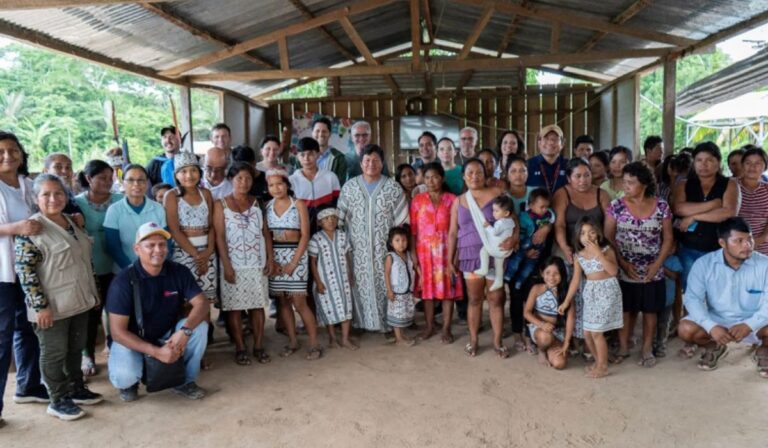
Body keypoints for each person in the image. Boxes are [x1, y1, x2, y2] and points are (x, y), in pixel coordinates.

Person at [15, 173, 103, 421]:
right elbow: (26, 272)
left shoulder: (72, 222)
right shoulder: (31, 229)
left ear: (66, 196)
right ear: (36, 198)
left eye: (58, 193)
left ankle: (76, 388)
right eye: (46, 194)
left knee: (75, 348)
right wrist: (40, 306)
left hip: (79, 300)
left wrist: (94, 292)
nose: (53, 198)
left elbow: (86, 261)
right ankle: (58, 399)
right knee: (54, 353)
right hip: (52, 307)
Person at [106, 222, 209, 401]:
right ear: (137, 249)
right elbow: (117, 333)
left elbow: (202, 303)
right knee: (125, 376)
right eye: (150, 245)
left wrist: (184, 332)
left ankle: (184, 381)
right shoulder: (123, 282)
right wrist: (156, 352)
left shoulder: (178, 271)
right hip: (133, 340)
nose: (158, 250)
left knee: (199, 329)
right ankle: (130, 383)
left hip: (167, 335)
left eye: (162, 244)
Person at [678, 217, 768, 377]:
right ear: (722, 243)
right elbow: (692, 299)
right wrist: (711, 326)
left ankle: (764, 349)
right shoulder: (704, 264)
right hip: (719, 320)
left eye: (750, 239)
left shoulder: (765, 264)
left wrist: (749, 324)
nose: (747, 245)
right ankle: (714, 345)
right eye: (739, 241)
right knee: (686, 329)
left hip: (756, 322)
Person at [604, 162, 674, 368]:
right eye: (624, 182)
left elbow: (668, 239)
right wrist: (623, 263)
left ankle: (646, 348)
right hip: (625, 266)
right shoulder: (616, 206)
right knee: (627, 308)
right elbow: (608, 237)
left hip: (653, 267)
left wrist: (657, 265)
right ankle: (624, 347)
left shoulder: (661, 206)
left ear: (643, 183)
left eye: (631, 182)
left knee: (650, 310)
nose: (625, 186)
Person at [0, 132, 48, 422]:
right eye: (1, 151)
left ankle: (28, 385)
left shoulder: (29, 185)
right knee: (2, 337)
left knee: (28, 329)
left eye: (13, 150)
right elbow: (19, 226)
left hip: (28, 271)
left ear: (21, 153)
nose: (8, 156)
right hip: (3, 274)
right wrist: (15, 228)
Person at [338, 144, 409, 333]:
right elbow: (339, 222)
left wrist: (399, 251)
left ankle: (388, 325)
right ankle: (360, 323)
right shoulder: (349, 188)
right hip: (357, 251)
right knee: (358, 285)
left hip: (385, 251)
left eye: (376, 160)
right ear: (361, 163)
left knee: (387, 283)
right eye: (367, 160)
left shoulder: (393, 188)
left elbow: (402, 223)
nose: (371, 164)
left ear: (382, 163)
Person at [448, 158, 514, 358]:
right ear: (463, 176)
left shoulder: (497, 193)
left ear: (485, 175)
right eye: (470, 172)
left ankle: (497, 342)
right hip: (469, 256)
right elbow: (453, 232)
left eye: (478, 172)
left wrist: (514, 239)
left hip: (494, 254)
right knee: (475, 299)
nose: (474, 176)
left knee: (496, 299)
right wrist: (450, 260)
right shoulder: (459, 201)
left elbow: (512, 219)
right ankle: (474, 340)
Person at [213, 162, 273, 365]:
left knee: (257, 306)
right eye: (239, 178)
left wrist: (270, 258)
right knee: (234, 308)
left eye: (248, 178)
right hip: (233, 264)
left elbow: (265, 233)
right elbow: (219, 237)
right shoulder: (220, 204)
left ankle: (258, 346)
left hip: (257, 263)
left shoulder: (258, 203)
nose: (244, 182)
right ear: (231, 179)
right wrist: (227, 265)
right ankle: (240, 348)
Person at [265, 169, 322, 360]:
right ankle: (293, 341)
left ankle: (314, 344)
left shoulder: (298, 204)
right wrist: (271, 260)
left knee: (299, 302)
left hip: (296, 255)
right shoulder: (267, 206)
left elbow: (305, 236)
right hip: (277, 257)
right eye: (271, 185)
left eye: (279, 184)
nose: (276, 188)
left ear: (287, 185)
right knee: (283, 302)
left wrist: (293, 263)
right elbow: (267, 236)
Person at [74, 160, 123, 377]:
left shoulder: (120, 200)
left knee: (116, 310)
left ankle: (114, 347)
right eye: (102, 177)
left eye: (110, 178)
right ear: (88, 178)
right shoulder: (76, 204)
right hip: (90, 267)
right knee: (91, 314)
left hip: (117, 265)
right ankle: (88, 355)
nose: (108, 182)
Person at [559, 216, 622, 378]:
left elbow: (613, 271)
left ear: (598, 234)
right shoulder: (579, 255)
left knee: (596, 333)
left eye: (592, 232)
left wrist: (598, 254)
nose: (587, 236)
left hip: (607, 292)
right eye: (583, 233)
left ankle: (603, 367)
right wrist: (566, 301)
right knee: (587, 333)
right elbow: (575, 280)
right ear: (578, 236)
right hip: (591, 293)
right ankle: (598, 361)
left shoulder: (606, 250)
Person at [672, 141, 739, 292]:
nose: (704, 164)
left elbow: (728, 212)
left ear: (718, 162)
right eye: (699, 160)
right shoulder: (684, 184)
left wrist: (694, 217)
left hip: (719, 249)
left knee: (717, 295)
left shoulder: (729, 184)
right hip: (689, 248)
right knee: (692, 293)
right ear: (694, 163)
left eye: (709, 160)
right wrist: (714, 204)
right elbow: (679, 208)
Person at [410, 162, 462, 343]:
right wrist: (414, 255)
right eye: (427, 177)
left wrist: (455, 257)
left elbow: (458, 230)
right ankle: (429, 326)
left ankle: (446, 328)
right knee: (427, 292)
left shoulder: (452, 200)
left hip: (447, 252)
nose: (430, 181)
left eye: (434, 177)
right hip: (424, 254)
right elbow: (413, 231)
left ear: (442, 178)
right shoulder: (417, 201)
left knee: (448, 291)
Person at [164, 152, 217, 301]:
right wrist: (196, 255)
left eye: (193, 170)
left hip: (207, 253)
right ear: (176, 175)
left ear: (199, 172)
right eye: (183, 171)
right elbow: (174, 229)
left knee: (206, 299)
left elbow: (211, 226)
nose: (189, 175)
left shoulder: (206, 194)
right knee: (186, 301)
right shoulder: (172, 195)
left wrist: (208, 251)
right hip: (183, 252)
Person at [308, 204, 358, 350]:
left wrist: (350, 274)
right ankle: (332, 338)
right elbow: (313, 262)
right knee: (329, 309)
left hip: (343, 280)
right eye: (326, 218)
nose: (330, 221)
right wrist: (318, 282)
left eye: (333, 218)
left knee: (346, 308)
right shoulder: (316, 239)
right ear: (319, 222)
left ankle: (345, 339)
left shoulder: (343, 236)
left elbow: (348, 256)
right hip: (325, 281)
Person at [103, 165, 168, 271]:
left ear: (147, 183)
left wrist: (156, 266)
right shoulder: (114, 210)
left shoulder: (158, 208)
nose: (136, 184)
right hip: (125, 271)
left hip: (156, 269)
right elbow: (113, 247)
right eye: (130, 180)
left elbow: (166, 242)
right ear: (123, 183)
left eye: (141, 180)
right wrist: (133, 270)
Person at [553, 158, 610, 264]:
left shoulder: (602, 194)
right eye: (578, 176)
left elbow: (609, 226)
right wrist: (564, 247)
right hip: (568, 245)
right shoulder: (562, 194)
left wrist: (605, 249)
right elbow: (559, 225)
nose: (583, 180)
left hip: (597, 246)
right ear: (569, 178)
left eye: (587, 175)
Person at [523, 257, 574, 369]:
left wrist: (566, 343)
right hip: (539, 329)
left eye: (556, 274)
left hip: (557, 332)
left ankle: (550, 347)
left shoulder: (566, 293)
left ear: (562, 274)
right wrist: (541, 324)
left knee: (559, 364)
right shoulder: (536, 289)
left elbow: (571, 319)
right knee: (545, 337)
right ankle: (541, 351)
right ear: (542, 273)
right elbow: (526, 312)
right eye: (548, 273)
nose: (551, 277)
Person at [505, 188, 556, 291]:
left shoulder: (547, 215)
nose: (545, 210)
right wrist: (525, 250)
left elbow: (553, 217)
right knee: (515, 262)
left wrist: (548, 227)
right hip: (524, 245)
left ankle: (520, 281)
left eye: (547, 207)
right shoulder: (525, 217)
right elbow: (521, 234)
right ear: (531, 205)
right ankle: (508, 276)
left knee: (529, 268)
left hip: (538, 249)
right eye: (542, 207)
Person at [289, 137, 340, 232]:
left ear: (318, 155)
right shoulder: (292, 181)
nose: (306, 158)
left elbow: (337, 205)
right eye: (302, 155)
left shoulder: (331, 177)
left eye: (311, 154)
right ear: (297, 157)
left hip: (326, 229)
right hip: (301, 229)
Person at [475, 195, 516, 291]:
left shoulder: (500, 222)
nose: (493, 213)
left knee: (484, 250)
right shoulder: (511, 221)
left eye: (496, 211)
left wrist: (487, 226)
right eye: (493, 210)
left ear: (506, 213)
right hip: (504, 250)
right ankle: (499, 280)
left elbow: (494, 232)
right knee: (499, 265)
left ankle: (484, 268)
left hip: (496, 248)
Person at [385, 226, 416, 346]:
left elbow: (413, 268)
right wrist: (389, 290)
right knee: (397, 315)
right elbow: (387, 274)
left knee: (403, 314)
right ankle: (399, 339)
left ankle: (402, 335)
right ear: (391, 243)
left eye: (404, 240)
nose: (401, 243)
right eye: (397, 240)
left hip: (406, 291)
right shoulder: (390, 256)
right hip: (396, 292)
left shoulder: (407, 255)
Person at [737, 147, 768, 255]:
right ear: (742, 165)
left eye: (757, 163)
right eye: (748, 163)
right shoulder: (731, 186)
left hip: (764, 249)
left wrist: (760, 239)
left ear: (765, 167)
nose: (752, 167)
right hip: (735, 248)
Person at [304, 117, 347, 186]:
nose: (321, 134)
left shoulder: (339, 158)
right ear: (312, 133)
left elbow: (340, 185)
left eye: (324, 131)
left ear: (329, 134)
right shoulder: (302, 156)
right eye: (317, 131)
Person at [527, 124, 568, 193]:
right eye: (546, 138)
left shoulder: (569, 165)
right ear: (539, 142)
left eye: (555, 139)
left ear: (562, 144)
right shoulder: (528, 165)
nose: (550, 142)